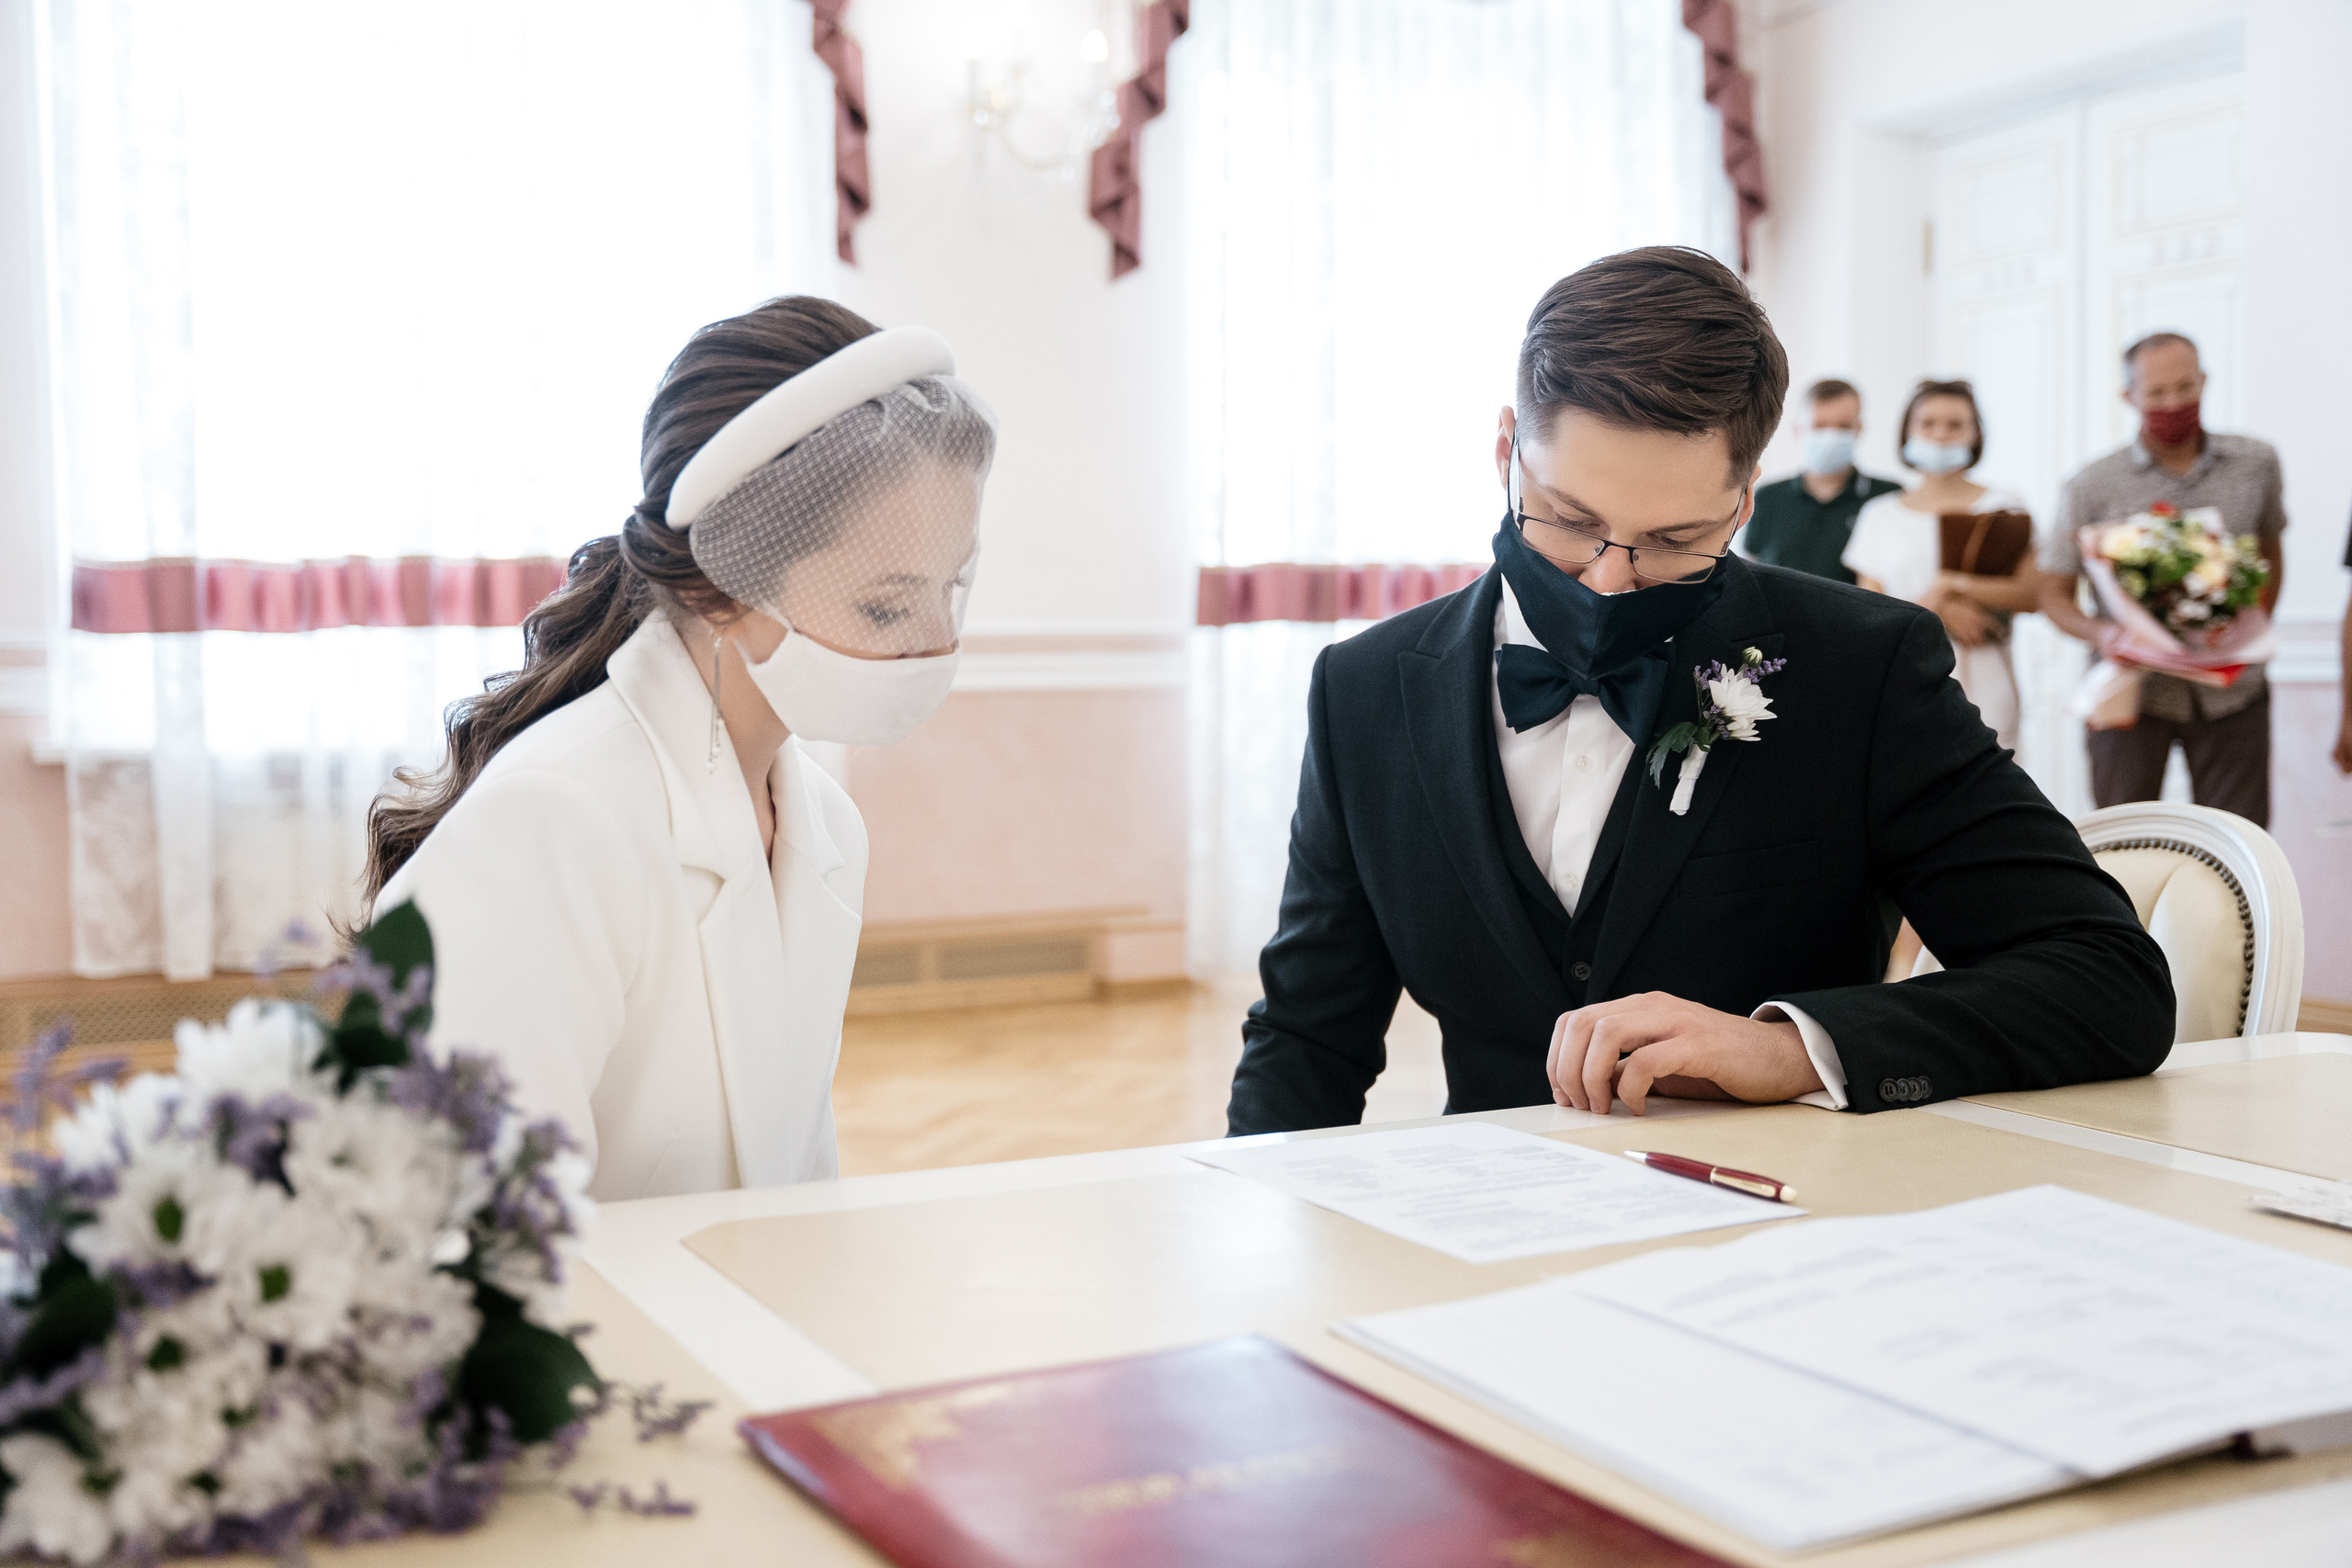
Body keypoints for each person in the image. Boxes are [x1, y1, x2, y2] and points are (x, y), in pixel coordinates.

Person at [1224, 247, 2170, 1135]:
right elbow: (1308, 1038)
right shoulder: (1362, 692)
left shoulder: (1862, 668)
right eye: (1567, 520)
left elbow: (2108, 981)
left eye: (1674, 541)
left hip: (1781, 1239)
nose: (1604, 581)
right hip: (1483, 1247)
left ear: (1745, 500)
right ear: (1507, 449)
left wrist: (1792, 1045)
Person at [360, 298, 997, 1199]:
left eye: (952, 588)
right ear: (716, 588)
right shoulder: (557, 821)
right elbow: (478, 1234)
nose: (936, 642)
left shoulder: (826, 828)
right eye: (886, 607)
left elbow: (790, 1184)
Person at [2037, 332, 2287, 825]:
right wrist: (2105, 634)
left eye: (2185, 387)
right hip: (2130, 697)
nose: (2173, 403)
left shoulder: (2256, 463)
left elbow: (2271, 553)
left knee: (2242, 841)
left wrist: (2244, 629)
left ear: (2205, 381)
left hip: (2234, 693)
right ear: (2128, 396)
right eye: (2156, 393)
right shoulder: (2091, 484)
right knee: (2126, 842)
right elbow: (2052, 593)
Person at [1842, 380, 2040, 751]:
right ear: (1907, 431)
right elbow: (1869, 616)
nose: (1940, 435)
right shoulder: (1880, 515)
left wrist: (1951, 584)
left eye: (1955, 425)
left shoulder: (2004, 506)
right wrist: (1940, 610)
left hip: (1987, 680)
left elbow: (2031, 594)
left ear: (1975, 432)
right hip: (1904, 682)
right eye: (1928, 423)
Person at [1737, 378, 1901, 584]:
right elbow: (1751, 568)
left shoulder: (1888, 498)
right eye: (1819, 426)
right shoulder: (1768, 496)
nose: (1831, 436)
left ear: (1859, 430)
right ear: (1798, 429)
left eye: (1843, 426)